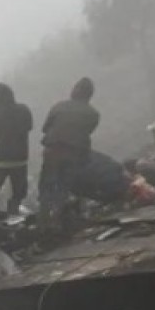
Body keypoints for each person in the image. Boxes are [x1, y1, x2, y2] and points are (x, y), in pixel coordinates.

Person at [39, 77, 100, 228]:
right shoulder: (93, 113)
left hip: (52, 151)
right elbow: (87, 131)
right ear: (89, 95)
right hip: (74, 153)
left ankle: (43, 222)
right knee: (64, 188)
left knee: (47, 187)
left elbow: (45, 128)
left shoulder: (58, 107)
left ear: (74, 91)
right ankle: (58, 222)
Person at [0, 83, 34, 214]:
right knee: (19, 192)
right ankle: (13, 212)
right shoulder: (23, 110)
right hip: (19, 158)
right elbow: (29, 126)